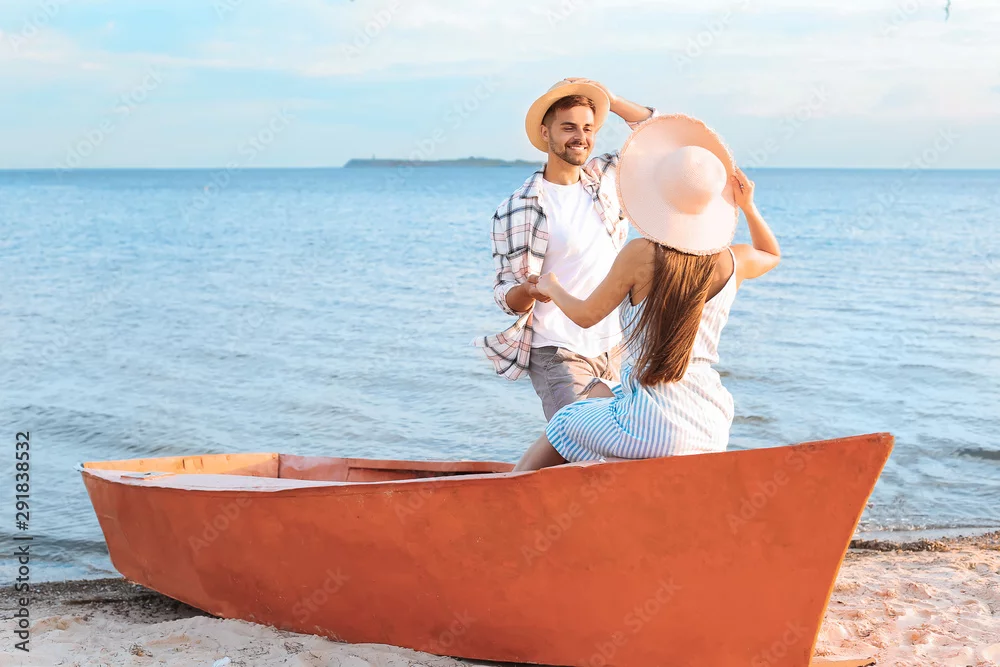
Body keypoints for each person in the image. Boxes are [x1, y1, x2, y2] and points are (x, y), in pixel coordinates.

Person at [512, 114, 780, 471]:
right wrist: (748, 206)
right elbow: (771, 253)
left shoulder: (641, 254)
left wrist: (552, 287)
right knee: (606, 391)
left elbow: (586, 315)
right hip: (711, 420)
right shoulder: (733, 260)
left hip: (653, 422)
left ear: (658, 193)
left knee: (564, 423)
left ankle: (508, 491)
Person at [474, 78, 657, 421]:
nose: (580, 137)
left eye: (588, 128)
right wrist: (528, 290)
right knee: (580, 434)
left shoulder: (605, 179)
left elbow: (658, 136)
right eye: (569, 127)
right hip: (557, 349)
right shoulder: (518, 208)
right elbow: (505, 294)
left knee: (604, 442)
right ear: (545, 133)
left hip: (612, 346)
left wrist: (611, 99)